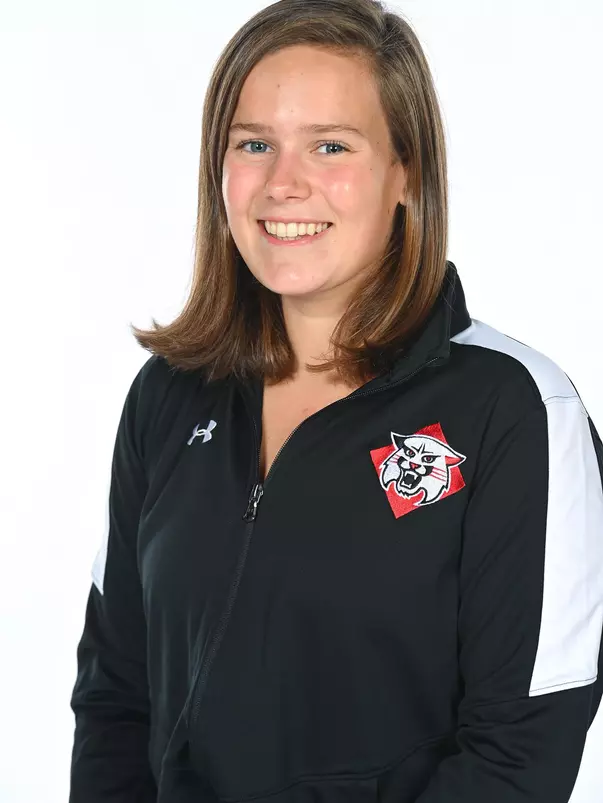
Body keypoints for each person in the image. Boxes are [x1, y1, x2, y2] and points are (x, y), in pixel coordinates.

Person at [68, 1, 603, 801]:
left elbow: (518, 754)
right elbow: (114, 697)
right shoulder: (169, 396)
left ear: (405, 171)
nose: (285, 183)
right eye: (254, 144)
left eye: (330, 145)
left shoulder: (517, 411)